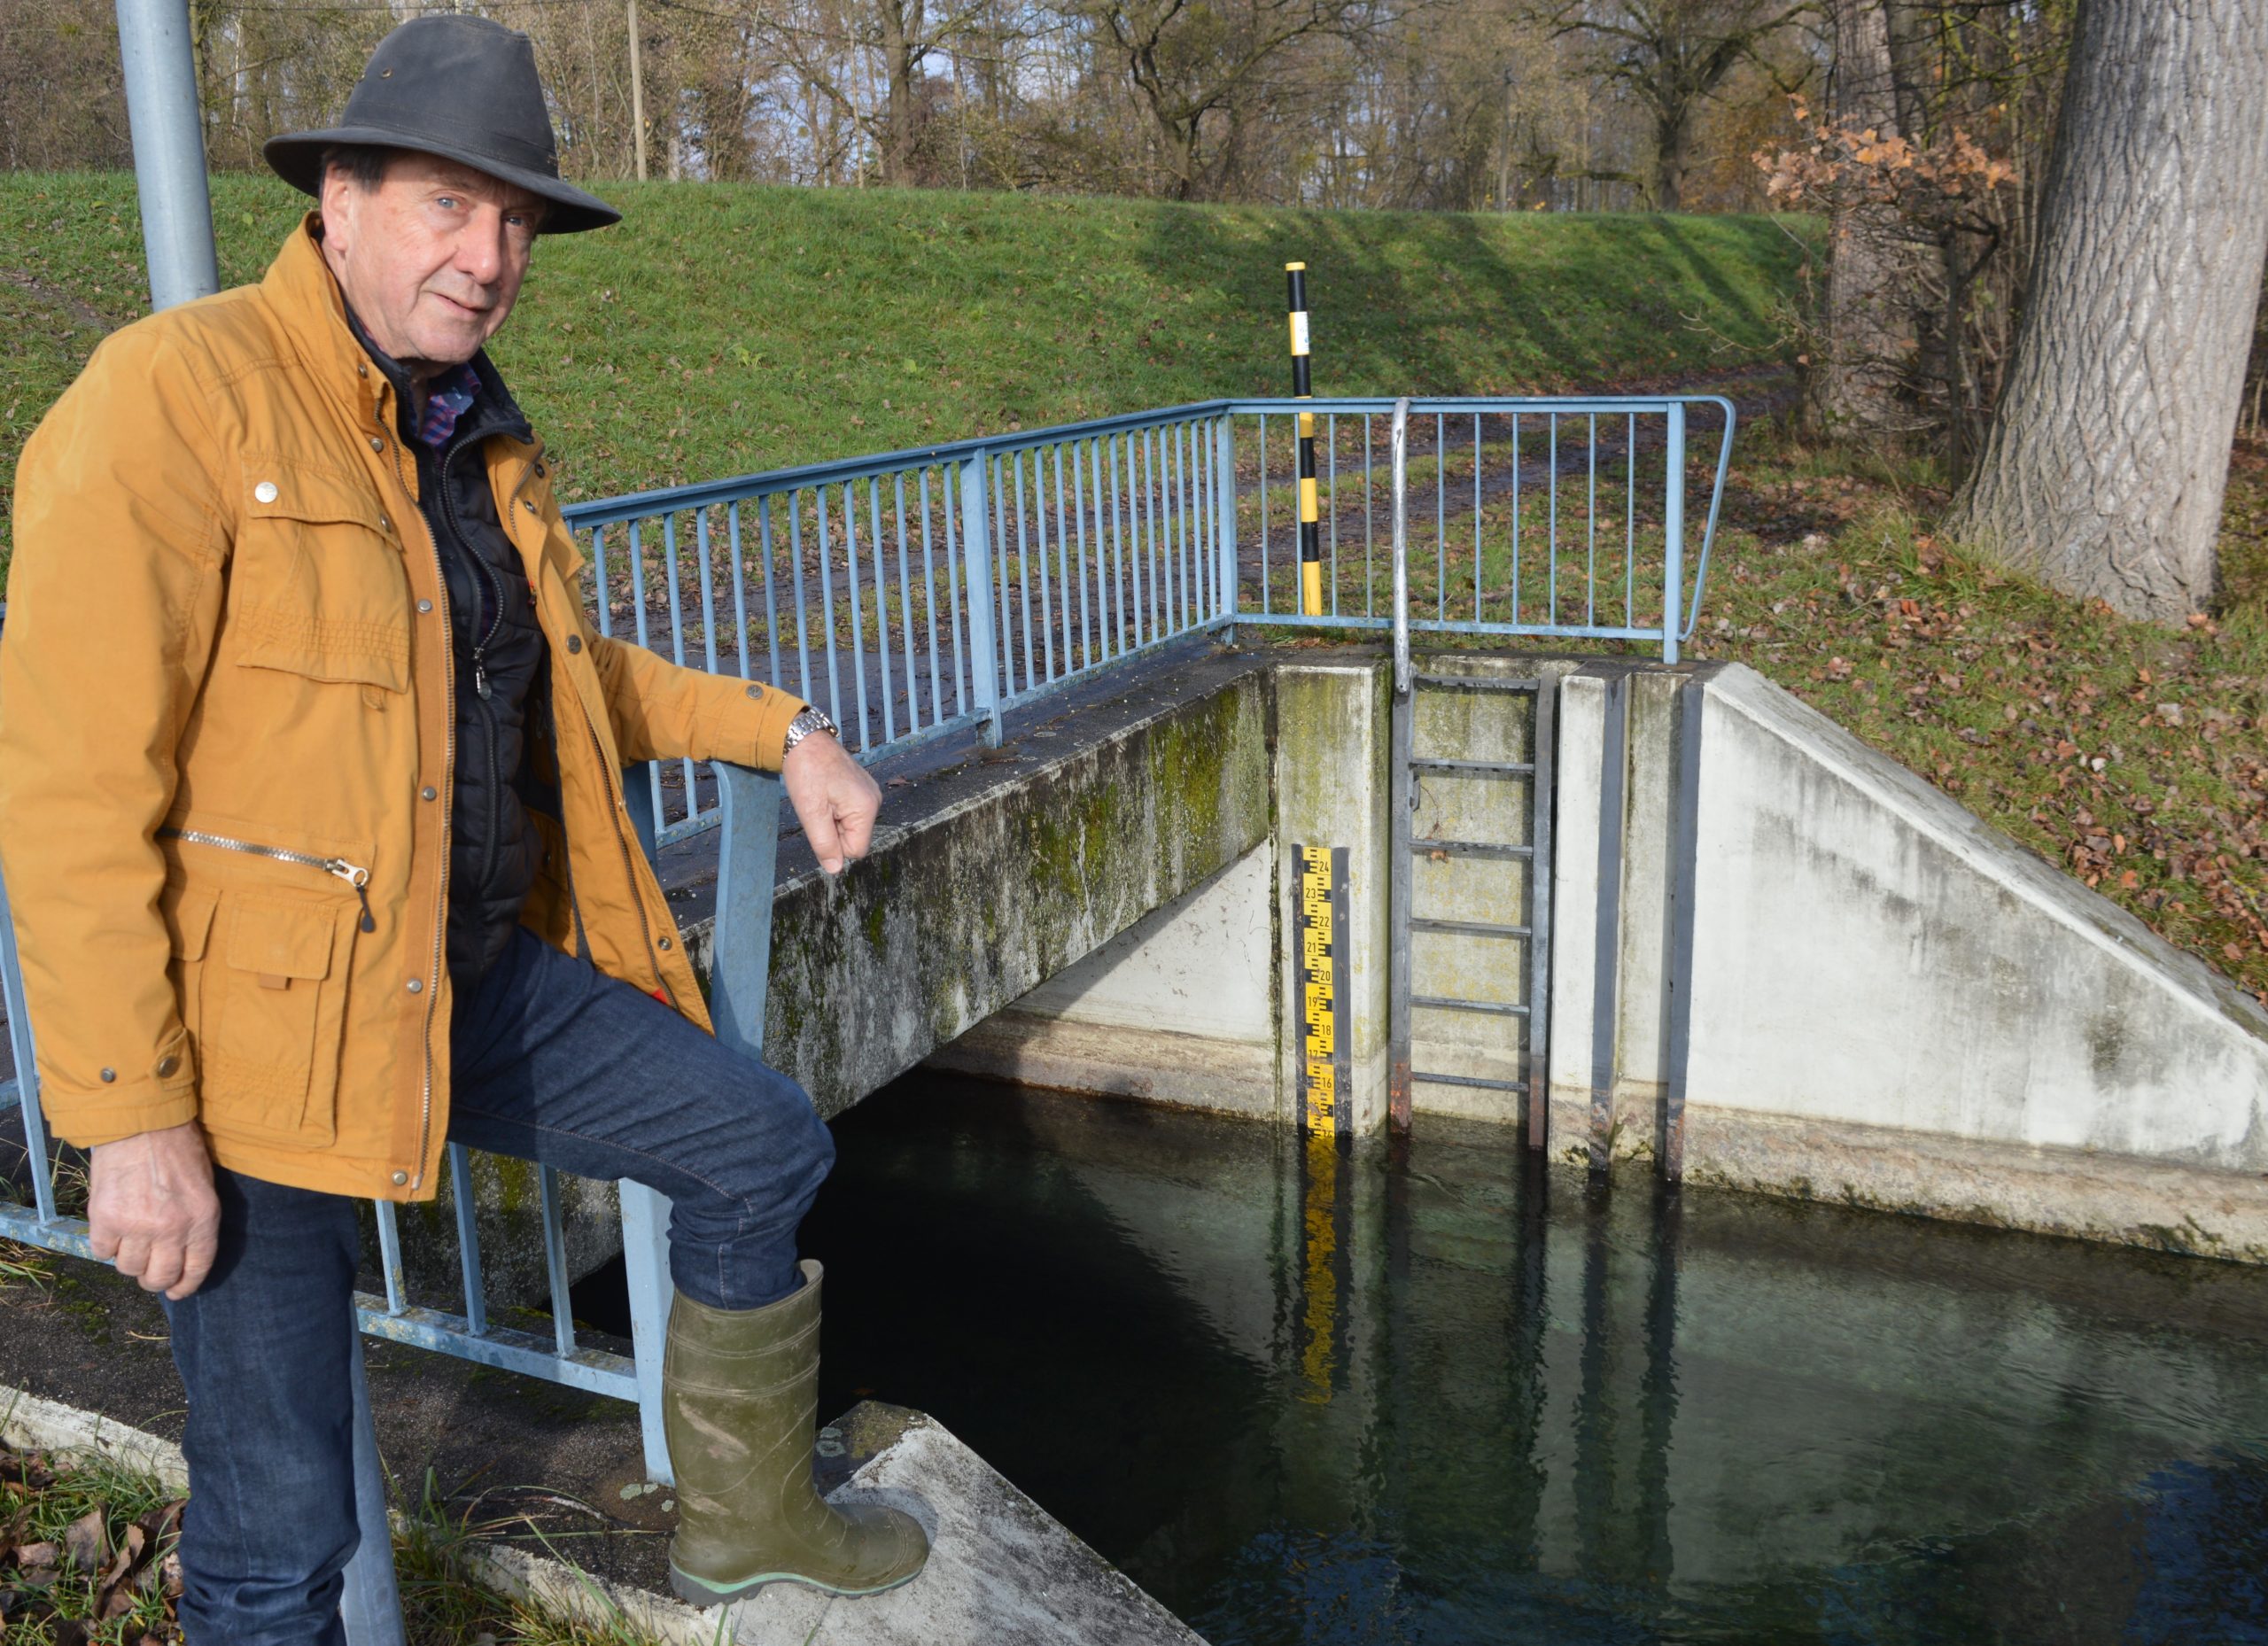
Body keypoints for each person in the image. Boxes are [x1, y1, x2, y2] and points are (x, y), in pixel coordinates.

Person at [0, 15, 928, 1640]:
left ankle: (746, 1520)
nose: (491, 254)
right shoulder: (176, 397)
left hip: (465, 976)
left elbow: (570, 675)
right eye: (449, 205)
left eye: (515, 223)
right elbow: (71, 785)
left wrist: (781, 730)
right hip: (247, 1061)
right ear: (336, 201)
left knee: (759, 1140)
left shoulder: (471, 435)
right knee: (278, 1536)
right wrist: (131, 1116)